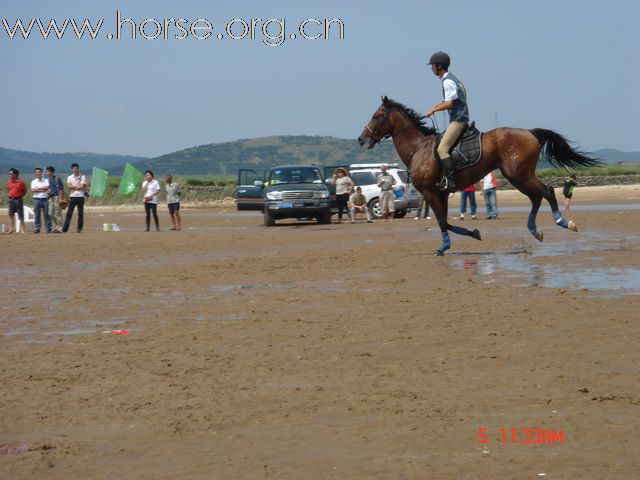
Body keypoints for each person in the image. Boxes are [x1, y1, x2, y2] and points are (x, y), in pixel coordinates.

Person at [424, 51, 470, 191]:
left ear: (439, 66)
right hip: (459, 119)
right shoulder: (452, 79)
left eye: (432, 66)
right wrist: (436, 105)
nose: (431, 68)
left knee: (442, 149)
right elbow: (448, 101)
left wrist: (434, 110)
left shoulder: (447, 81)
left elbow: (449, 104)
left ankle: (450, 181)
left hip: (458, 120)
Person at [63, 162, 86, 233]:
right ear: (72, 169)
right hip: (72, 196)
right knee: (69, 213)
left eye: (76, 168)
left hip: (80, 196)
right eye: (74, 168)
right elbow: (69, 187)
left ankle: (79, 228)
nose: (75, 170)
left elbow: (83, 186)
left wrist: (74, 187)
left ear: (78, 169)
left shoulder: (82, 176)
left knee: (80, 213)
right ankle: (65, 228)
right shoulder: (69, 177)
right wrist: (78, 186)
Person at [6, 168, 28, 233]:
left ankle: (23, 229)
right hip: (11, 200)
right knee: (10, 214)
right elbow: (8, 190)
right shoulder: (9, 182)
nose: (9, 175)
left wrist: (19, 196)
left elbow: (24, 191)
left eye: (10, 174)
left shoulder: (21, 182)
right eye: (9, 174)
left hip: (18, 200)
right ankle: (11, 229)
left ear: (15, 174)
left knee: (20, 215)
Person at [31, 167, 51, 233]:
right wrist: (43, 189)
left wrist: (38, 189)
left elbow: (47, 188)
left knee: (47, 214)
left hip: (45, 199)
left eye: (39, 172)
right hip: (37, 199)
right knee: (37, 215)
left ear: (41, 173)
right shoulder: (33, 181)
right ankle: (37, 228)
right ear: (35, 173)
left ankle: (48, 228)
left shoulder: (46, 180)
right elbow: (33, 190)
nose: (38, 173)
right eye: (36, 172)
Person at [45, 166, 65, 233]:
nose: (46, 173)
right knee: (50, 213)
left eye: (47, 172)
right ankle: (57, 226)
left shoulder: (57, 179)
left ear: (51, 172)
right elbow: (50, 188)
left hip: (57, 197)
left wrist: (60, 199)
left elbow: (61, 190)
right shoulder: (49, 179)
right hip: (51, 198)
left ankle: (60, 227)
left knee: (58, 213)